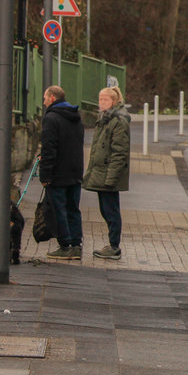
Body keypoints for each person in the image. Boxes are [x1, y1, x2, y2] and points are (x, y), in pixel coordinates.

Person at [84, 85, 131, 260]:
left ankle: (114, 246)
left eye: (105, 99)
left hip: (108, 175)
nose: (101, 102)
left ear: (114, 101)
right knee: (106, 210)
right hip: (102, 173)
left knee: (111, 211)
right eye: (100, 99)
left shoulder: (117, 121)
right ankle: (112, 245)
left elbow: (120, 153)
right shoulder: (105, 119)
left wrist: (111, 178)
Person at [39, 85, 84, 260]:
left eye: (44, 98)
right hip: (75, 170)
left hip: (58, 172)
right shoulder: (76, 117)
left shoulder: (51, 118)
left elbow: (49, 148)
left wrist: (45, 175)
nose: (43, 102)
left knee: (59, 209)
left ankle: (64, 245)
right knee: (73, 208)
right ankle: (76, 244)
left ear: (52, 98)